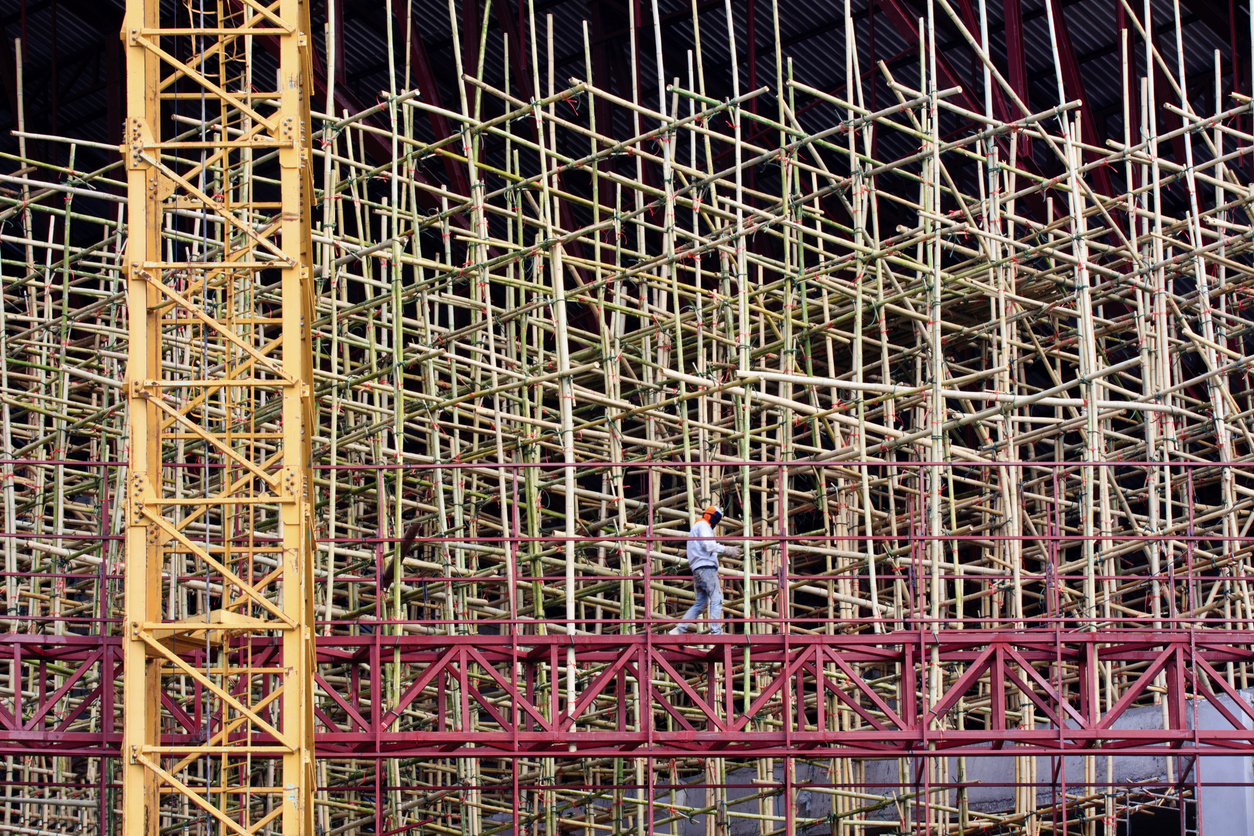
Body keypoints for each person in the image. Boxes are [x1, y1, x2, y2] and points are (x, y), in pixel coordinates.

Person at [669, 505, 741, 636]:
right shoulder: (703, 526)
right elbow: (708, 545)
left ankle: (679, 629)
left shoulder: (695, 528)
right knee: (717, 598)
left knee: (700, 604)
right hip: (706, 568)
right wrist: (727, 550)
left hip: (697, 570)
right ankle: (716, 632)